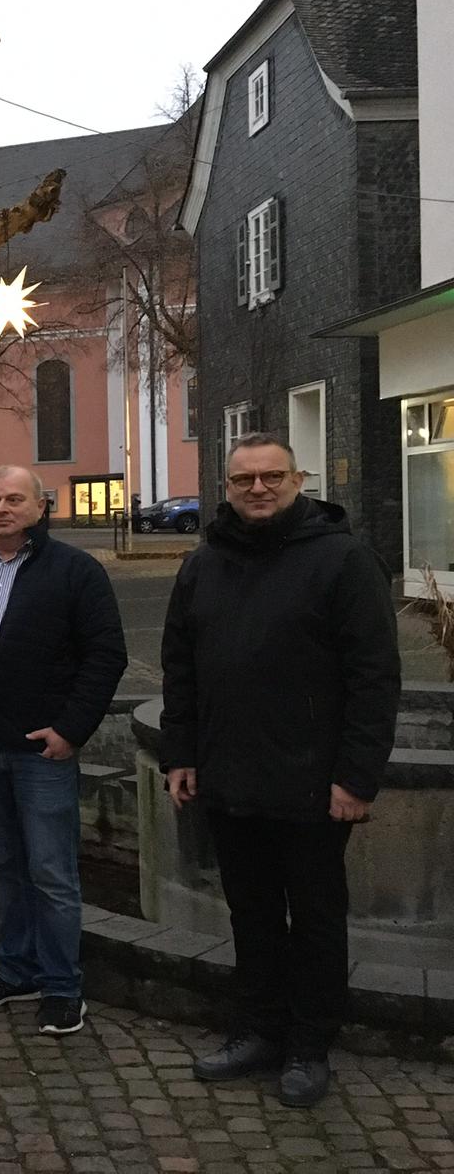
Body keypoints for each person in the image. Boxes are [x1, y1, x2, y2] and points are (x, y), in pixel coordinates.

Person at [160, 434, 399, 1107]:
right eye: (243, 480)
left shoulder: (344, 561)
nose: (257, 489)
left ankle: (309, 1045)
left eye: (271, 477)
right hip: (230, 779)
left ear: (299, 480)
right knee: (252, 914)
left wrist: (356, 777)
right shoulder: (205, 564)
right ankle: (259, 1030)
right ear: (226, 487)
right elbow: (181, 668)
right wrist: (180, 752)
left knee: (316, 918)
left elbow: (374, 679)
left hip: (314, 786)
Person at [0, 465, 127, 1036]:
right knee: (4, 867)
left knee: (52, 873)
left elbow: (106, 655)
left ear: (41, 507)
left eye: (15, 499)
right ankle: (17, 969)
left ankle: (63, 986)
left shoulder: (74, 572)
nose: (2, 508)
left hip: (43, 754)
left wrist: (71, 730)